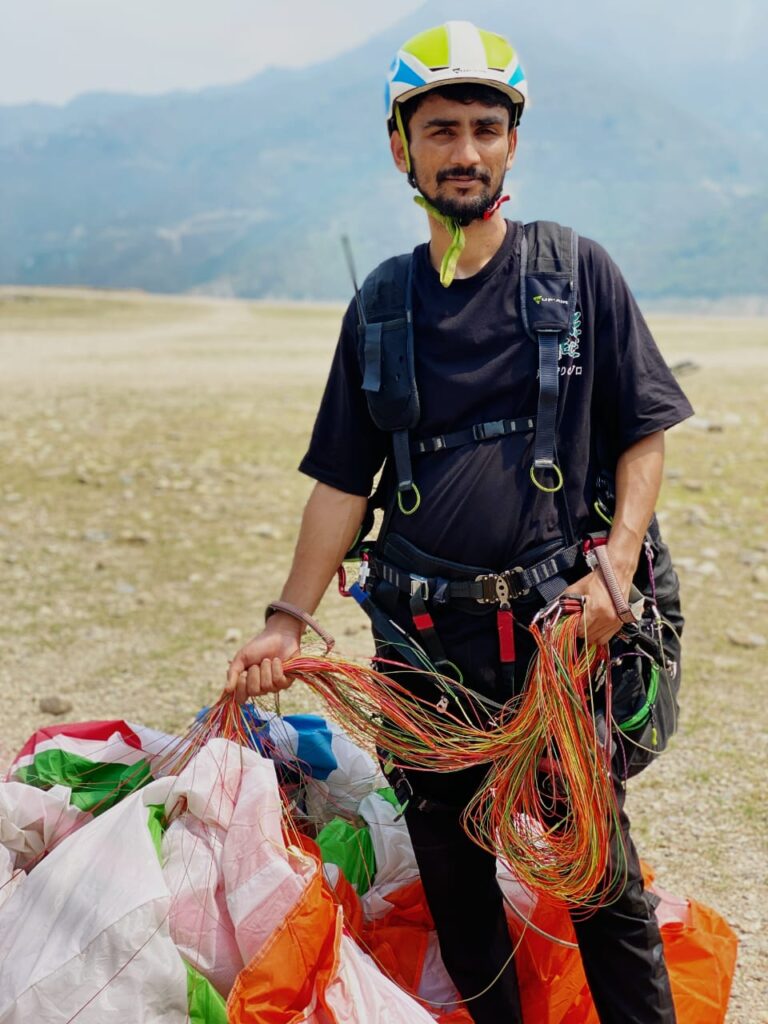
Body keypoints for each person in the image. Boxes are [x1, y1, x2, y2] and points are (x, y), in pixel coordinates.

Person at [227, 20, 693, 1023]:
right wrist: (284, 618)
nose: (467, 151)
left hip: (557, 648)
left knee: (603, 882)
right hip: (427, 653)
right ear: (402, 146)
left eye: (486, 128)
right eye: (441, 130)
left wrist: (613, 570)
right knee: (456, 884)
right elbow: (342, 484)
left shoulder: (577, 274)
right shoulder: (383, 309)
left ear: (513, 143)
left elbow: (644, 434)